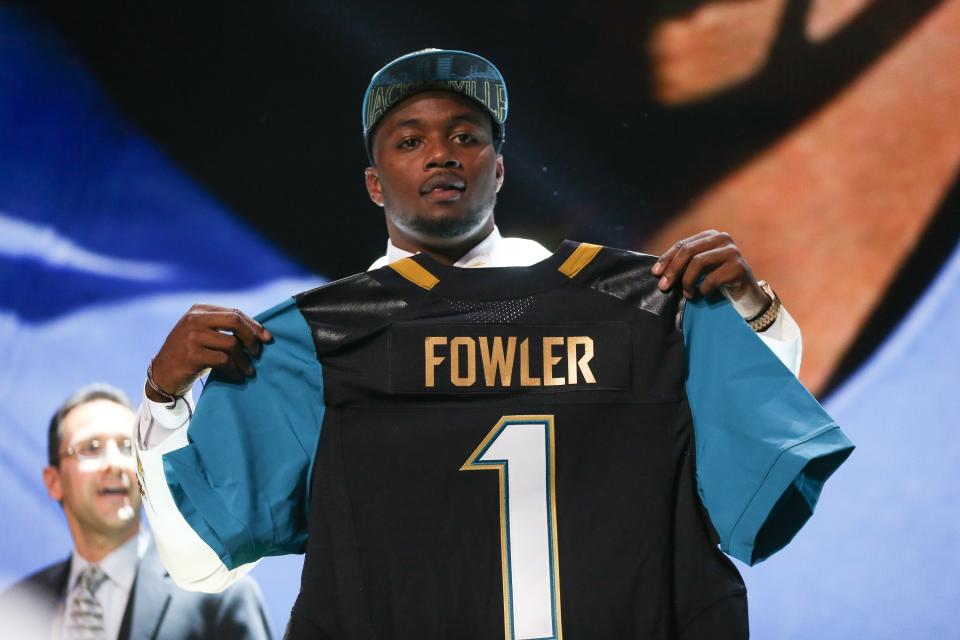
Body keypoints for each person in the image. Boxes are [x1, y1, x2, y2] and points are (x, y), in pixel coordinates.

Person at [135, 50, 850, 638]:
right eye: (410, 140)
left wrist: (747, 313)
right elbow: (198, 561)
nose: (441, 154)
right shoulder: (312, 344)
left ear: (499, 168)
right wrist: (163, 403)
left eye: (466, 136)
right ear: (374, 183)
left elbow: (736, 432)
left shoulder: (646, 303)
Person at [0, 383, 273, 640]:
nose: (115, 464)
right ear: (54, 481)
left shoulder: (218, 593)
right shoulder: (14, 607)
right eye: (91, 448)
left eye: (128, 447)